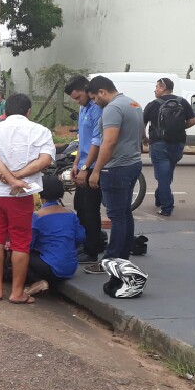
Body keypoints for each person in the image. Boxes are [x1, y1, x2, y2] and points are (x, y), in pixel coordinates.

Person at [0, 93, 56, 303]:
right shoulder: (40, 131)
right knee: (20, 243)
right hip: (22, 195)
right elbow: (46, 159)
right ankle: (16, 293)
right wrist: (18, 178)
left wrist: (9, 177)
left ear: (4, 111)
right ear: (28, 111)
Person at [84, 76, 144, 269]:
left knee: (117, 216)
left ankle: (111, 260)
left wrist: (96, 171)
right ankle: (123, 256)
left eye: (94, 98)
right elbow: (141, 135)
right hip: (133, 163)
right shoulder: (133, 103)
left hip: (116, 168)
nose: (94, 102)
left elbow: (108, 142)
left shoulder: (112, 108)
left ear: (102, 92)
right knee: (125, 213)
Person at [141, 77, 195, 217]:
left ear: (163, 88)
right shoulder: (182, 102)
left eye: (157, 87)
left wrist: (144, 138)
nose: (155, 90)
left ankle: (167, 207)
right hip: (177, 143)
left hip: (159, 143)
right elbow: (193, 121)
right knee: (166, 174)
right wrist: (180, 127)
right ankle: (159, 198)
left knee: (163, 177)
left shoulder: (153, 104)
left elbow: (141, 123)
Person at [64, 75, 104, 263]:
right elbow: (83, 139)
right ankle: (84, 243)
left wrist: (86, 168)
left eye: (79, 97)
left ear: (87, 90)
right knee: (80, 206)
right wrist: (76, 163)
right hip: (83, 164)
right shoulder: (83, 108)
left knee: (90, 209)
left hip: (93, 166)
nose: (78, 101)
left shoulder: (97, 109)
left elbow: (97, 141)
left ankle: (92, 249)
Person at [25, 175, 86, 296]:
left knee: (20, 254)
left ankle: (39, 281)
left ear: (40, 194)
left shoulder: (37, 216)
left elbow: (29, 244)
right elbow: (80, 237)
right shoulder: (70, 214)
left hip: (51, 267)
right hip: (71, 267)